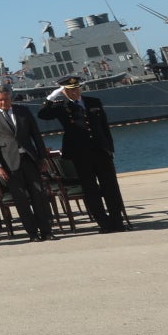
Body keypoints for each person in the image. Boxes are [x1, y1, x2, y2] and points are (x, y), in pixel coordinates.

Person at [37, 79, 129, 230]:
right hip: (80, 155)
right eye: (70, 90)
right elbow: (42, 114)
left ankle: (117, 222)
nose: (74, 92)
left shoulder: (94, 102)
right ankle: (104, 224)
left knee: (111, 188)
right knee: (90, 189)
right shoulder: (61, 107)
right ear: (64, 91)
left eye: (76, 89)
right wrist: (51, 97)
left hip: (101, 151)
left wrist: (110, 149)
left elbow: (104, 126)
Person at [0, 89, 56, 241]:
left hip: (29, 159)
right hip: (9, 164)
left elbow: (36, 135)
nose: (4, 103)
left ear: (11, 98)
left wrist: (42, 158)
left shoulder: (23, 111)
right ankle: (32, 233)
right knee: (21, 199)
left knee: (38, 195)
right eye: (0, 100)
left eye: (6, 99)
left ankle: (46, 231)